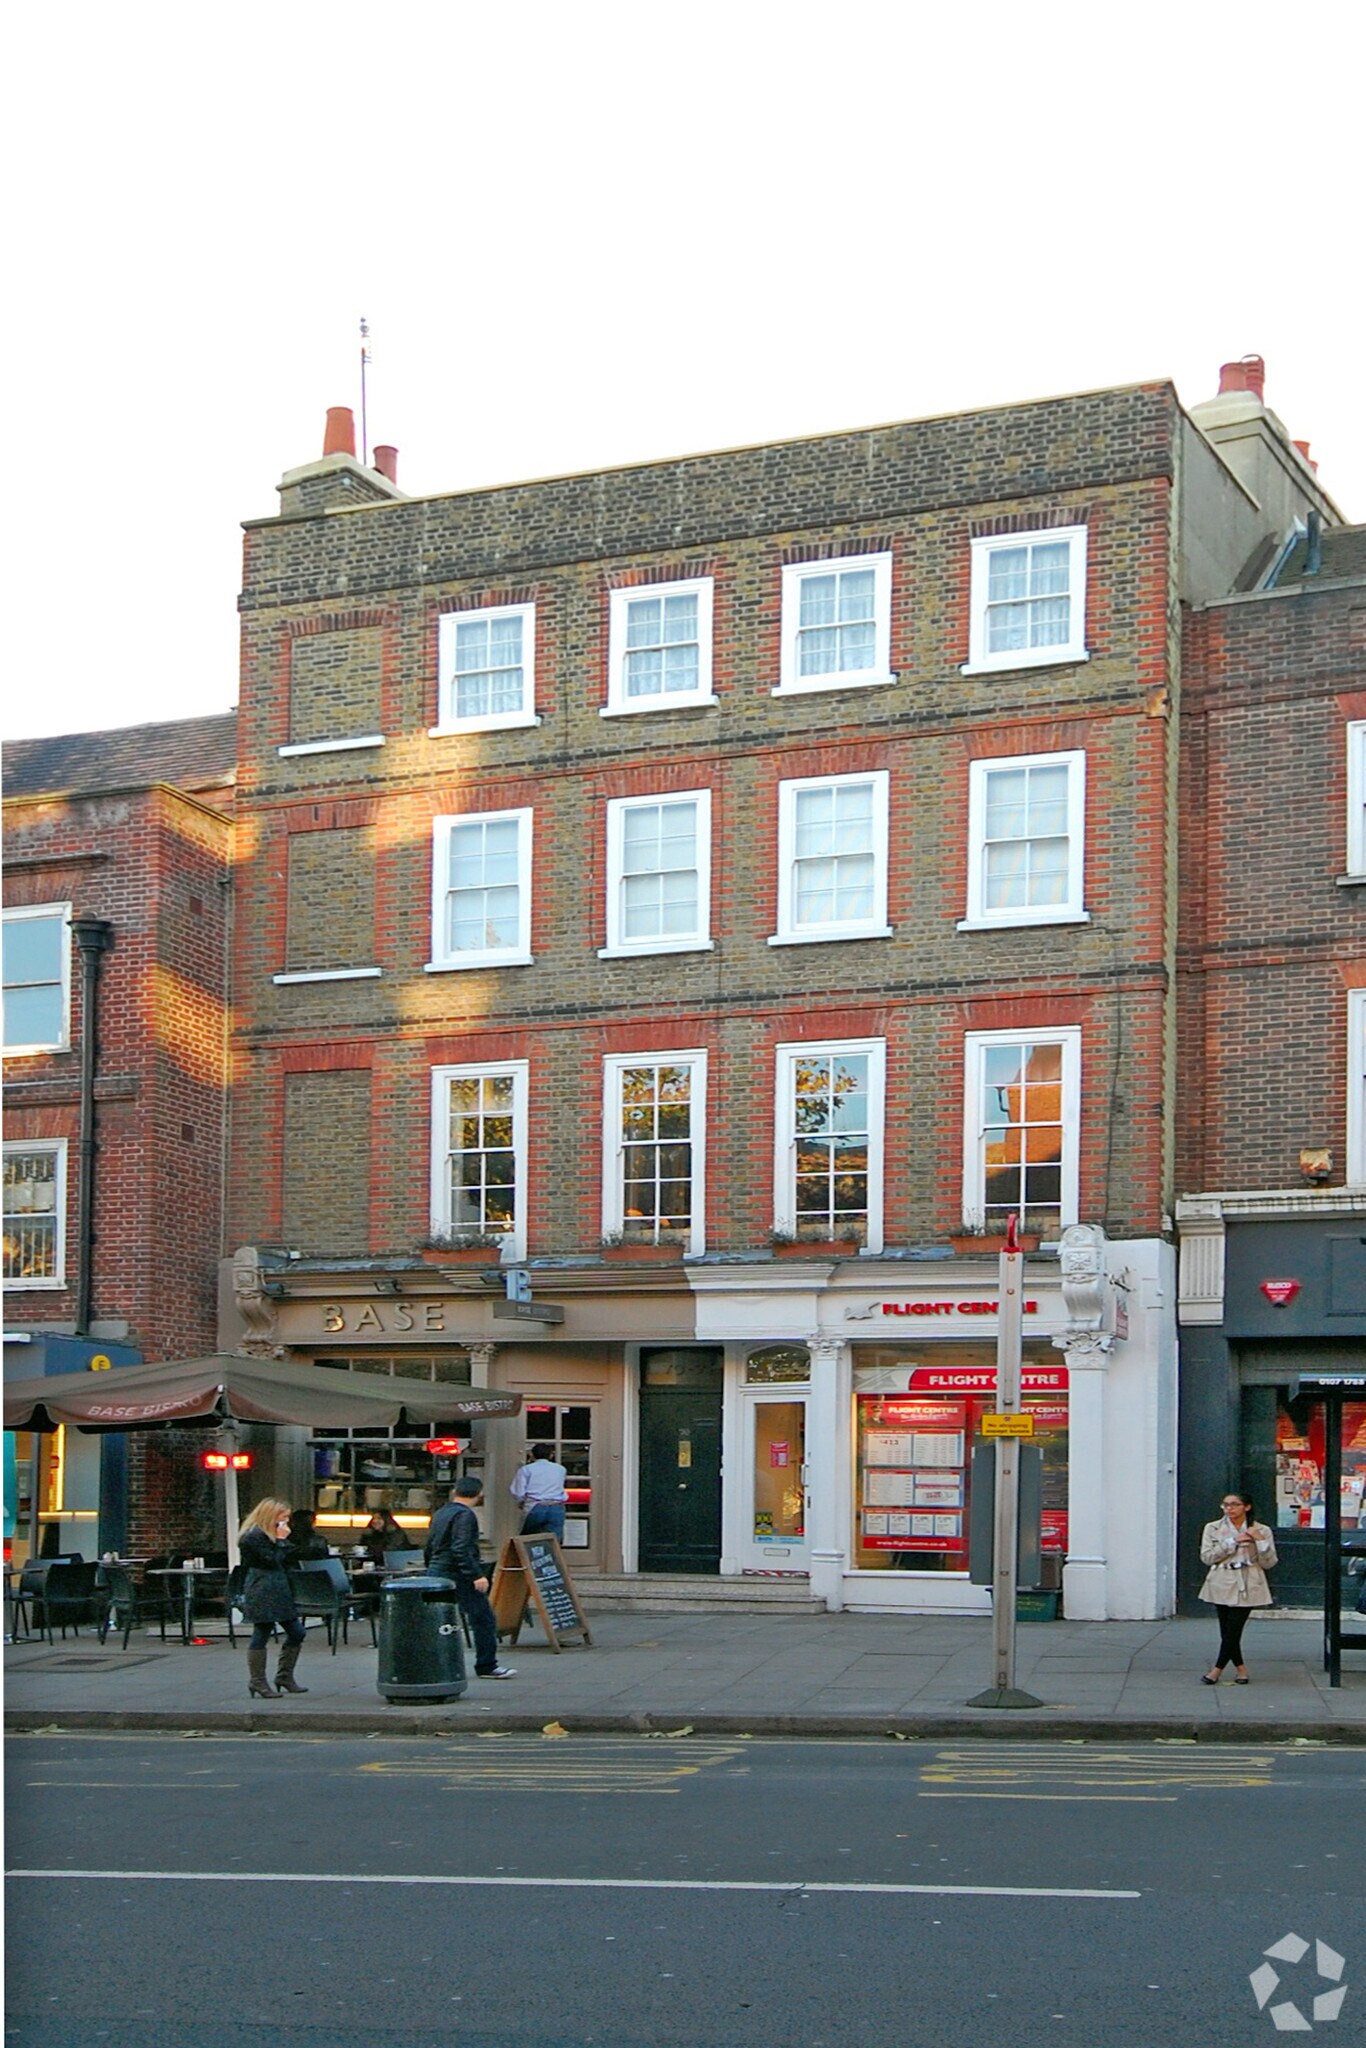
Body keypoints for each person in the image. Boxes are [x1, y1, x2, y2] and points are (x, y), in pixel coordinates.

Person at [424, 1477, 514, 1680]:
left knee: (437, 1620)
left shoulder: (441, 1512)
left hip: (437, 1571)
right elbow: (460, 1548)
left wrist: (431, 1566)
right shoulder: (466, 1516)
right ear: (479, 1493)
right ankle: (487, 1665)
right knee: (483, 1618)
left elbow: (430, 1545)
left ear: (455, 1491)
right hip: (458, 1574)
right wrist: (476, 1575)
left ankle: (432, 1664)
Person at [1199, 1490, 1277, 1684]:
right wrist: (1233, 1541)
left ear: (1246, 1507)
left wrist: (1260, 1541)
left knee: (1234, 1629)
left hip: (1249, 1581)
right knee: (1226, 1630)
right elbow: (1207, 1557)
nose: (1229, 1509)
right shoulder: (1213, 1528)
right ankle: (1241, 1669)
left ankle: (1216, 1671)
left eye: (1234, 1504)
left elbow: (1269, 1562)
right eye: (1225, 1505)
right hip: (1221, 1580)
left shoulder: (1262, 1530)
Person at [239, 1498, 308, 1699]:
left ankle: (284, 1676)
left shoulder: (270, 1536)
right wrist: (280, 1541)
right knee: (262, 1631)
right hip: (262, 1587)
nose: (286, 1521)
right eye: (283, 1517)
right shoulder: (252, 1537)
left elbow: (288, 1558)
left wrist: (284, 1541)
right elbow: (271, 1560)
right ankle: (257, 1680)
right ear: (271, 1516)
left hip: (278, 1586)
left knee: (296, 1631)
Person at [510, 1445, 569, 1541]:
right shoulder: (560, 1469)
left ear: (532, 1455)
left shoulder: (526, 1469)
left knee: (528, 1540)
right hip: (557, 1506)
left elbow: (518, 1492)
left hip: (535, 1505)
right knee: (553, 1541)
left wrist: (521, 1502)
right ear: (551, 1455)